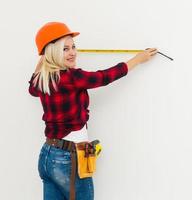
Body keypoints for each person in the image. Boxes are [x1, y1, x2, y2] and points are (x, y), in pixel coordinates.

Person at [28, 21, 157, 200]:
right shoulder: (72, 77)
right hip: (69, 158)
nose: (73, 52)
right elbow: (104, 77)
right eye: (65, 49)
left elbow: (32, 88)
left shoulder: (42, 79)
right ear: (52, 52)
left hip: (47, 156)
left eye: (73, 47)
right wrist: (138, 59)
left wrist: (43, 57)